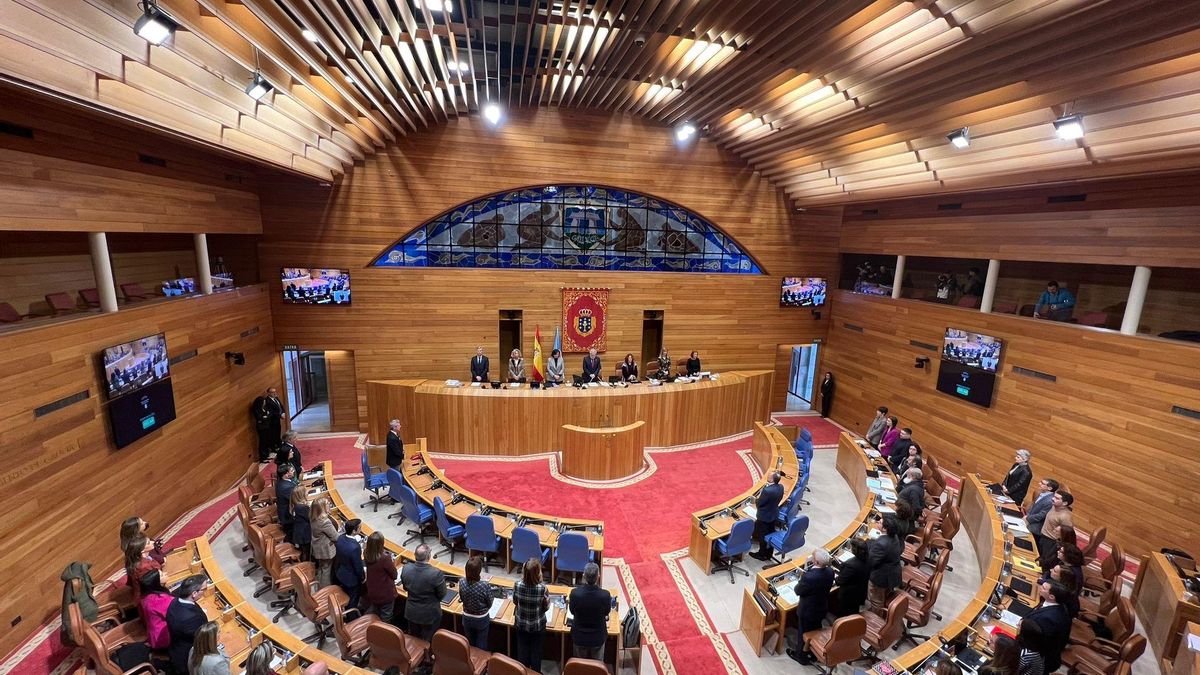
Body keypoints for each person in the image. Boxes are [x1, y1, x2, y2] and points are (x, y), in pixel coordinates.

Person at [786, 548, 835, 665]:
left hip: (808, 610)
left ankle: (801, 656)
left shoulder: (809, 577)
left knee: (803, 633)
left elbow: (798, 590)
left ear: (816, 562)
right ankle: (813, 653)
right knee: (816, 629)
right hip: (821, 607)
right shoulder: (830, 571)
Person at [1023, 580, 1073, 672]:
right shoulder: (1057, 605)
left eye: (1044, 588)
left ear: (1051, 596)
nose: (1040, 587)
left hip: (1037, 659)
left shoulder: (1049, 619)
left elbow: (1034, 642)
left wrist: (1022, 624)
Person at [400, 544, 447, 642]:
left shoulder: (406, 568)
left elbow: (405, 587)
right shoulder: (436, 573)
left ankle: (416, 656)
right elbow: (442, 594)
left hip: (411, 612)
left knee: (414, 640)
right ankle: (427, 657)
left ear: (415, 555)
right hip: (429, 615)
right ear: (429, 556)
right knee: (428, 641)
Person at [166, 575, 208, 675]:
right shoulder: (192, 619)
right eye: (204, 589)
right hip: (188, 657)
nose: (205, 591)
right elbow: (203, 637)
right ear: (194, 593)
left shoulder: (175, 601)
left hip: (175, 646)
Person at [568, 562, 612, 659]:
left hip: (579, 637)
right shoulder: (605, 595)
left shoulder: (575, 593)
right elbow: (606, 612)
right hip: (597, 637)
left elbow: (571, 611)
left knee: (580, 665)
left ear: (583, 576)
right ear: (598, 576)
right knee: (596, 667)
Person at [514, 559, 549, 672]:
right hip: (537, 626)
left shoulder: (517, 585)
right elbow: (546, 607)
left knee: (522, 651)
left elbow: (515, 601)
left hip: (521, 623)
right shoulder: (542, 588)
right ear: (538, 573)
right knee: (536, 653)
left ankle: (523, 671)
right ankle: (535, 672)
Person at [867, 515, 903, 616]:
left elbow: (871, 562)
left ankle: (875, 620)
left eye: (880, 522)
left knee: (876, 600)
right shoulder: (894, 536)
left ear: (885, 528)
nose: (877, 523)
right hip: (893, 574)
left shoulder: (881, 543)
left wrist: (870, 548)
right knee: (883, 595)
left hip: (881, 578)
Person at [459, 556, 494, 650]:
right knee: (481, 643)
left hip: (466, 617)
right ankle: (480, 661)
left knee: (470, 643)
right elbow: (490, 603)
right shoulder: (484, 585)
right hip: (481, 619)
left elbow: (462, 598)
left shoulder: (461, 582)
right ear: (479, 571)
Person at [363, 532, 398, 623]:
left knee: (376, 608)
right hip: (385, 594)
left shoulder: (366, 553)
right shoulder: (385, 558)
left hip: (372, 590)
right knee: (386, 616)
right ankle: (383, 634)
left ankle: (374, 626)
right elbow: (394, 575)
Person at [750, 472, 784, 560]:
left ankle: (761, 554)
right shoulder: (781, 487)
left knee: (762, 536)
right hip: (774, 514)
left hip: (764, 516)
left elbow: (760, 503)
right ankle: (769, 553)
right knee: (771, 533)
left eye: (769, 476)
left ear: (772, 479)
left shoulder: (767, 491)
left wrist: (756, 500)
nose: (767, 476)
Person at [333, 519, 365, 608]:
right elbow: (358, 567)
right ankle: (351, 618)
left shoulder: (341, 538)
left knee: (345, 594)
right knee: (352, 600)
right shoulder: (355, 547)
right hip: (351, 580)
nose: (361, 530)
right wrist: (362, 578)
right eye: (359, 528)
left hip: (340, 573)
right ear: (354, 531)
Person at [834, 539, 870, 616]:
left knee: (844, 615)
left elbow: (839, 581)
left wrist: (835, 576)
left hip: (848, 597)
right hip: (860, 593)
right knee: (854, 611)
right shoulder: (868, 559)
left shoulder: (850, 565)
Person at [138, 570, 173, 650]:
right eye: (162, 575)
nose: (166, 573)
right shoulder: (159, 600)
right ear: (156, 582)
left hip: (153, 634)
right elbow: (175, 612)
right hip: (163, 636)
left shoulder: (145, 596)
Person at [1037, 491, 1074, 567]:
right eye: (1054, 496)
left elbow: (1067, 534)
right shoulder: (1054, 506)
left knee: (1044, 564)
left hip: (1051, 543)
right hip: (1043, 536)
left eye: (1057, 498)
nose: (1053, 499)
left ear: (1065, 503)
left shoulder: (1065, 517)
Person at [310, 498, 338, 588]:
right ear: (322, 508)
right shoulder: (325, 522)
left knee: (322, 568)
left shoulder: (313, 517)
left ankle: (319, 585)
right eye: (327, 504)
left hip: (318, 548)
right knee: (327, 570)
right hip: (326, 551)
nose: (329, 504)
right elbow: (335, 537)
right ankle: (325, 590)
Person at [125, 534, 161, 603]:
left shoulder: (140, 558)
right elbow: (153, 585)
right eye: (148, 543)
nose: (152, 542)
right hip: (149, 598)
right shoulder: (143, 566)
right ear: (142, 550)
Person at [252, 387, 285, 462]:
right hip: (263, 427)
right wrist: (267, 416)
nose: (275, 393)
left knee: (268, 439)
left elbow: (268, 414)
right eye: (273, 392)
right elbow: (263, 417)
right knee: (263, 441)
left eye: (275, 391)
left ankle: (267, 454)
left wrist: (282, 413)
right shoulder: (259, 409)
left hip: (267, 426)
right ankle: (264, 456)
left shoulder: (266, 407)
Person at [1025, 478, 1059, 543]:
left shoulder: (1050, 501)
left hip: (1036, 527)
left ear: (1049, 488)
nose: (1039, 484)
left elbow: (1041, 516)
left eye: (1042, 483)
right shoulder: (1042, 494)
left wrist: (1027, 518)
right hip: (1030, 520)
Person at [275, 464, 297, 543]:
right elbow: (297, 500)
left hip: (284, 510)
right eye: (291, 471)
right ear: (286, 474)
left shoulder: (281, 481)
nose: (293, 471)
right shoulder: (286, 487)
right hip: (288, 517)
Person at [290, 489, 311, 561]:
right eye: (306, 492)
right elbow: (311, 518)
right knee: (306, 552)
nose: (308, 492)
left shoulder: (296, 505)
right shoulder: (303, 508)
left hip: (299, 532)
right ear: (301, 495)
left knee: (304, 551)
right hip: (304, 535)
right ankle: (305, 567)